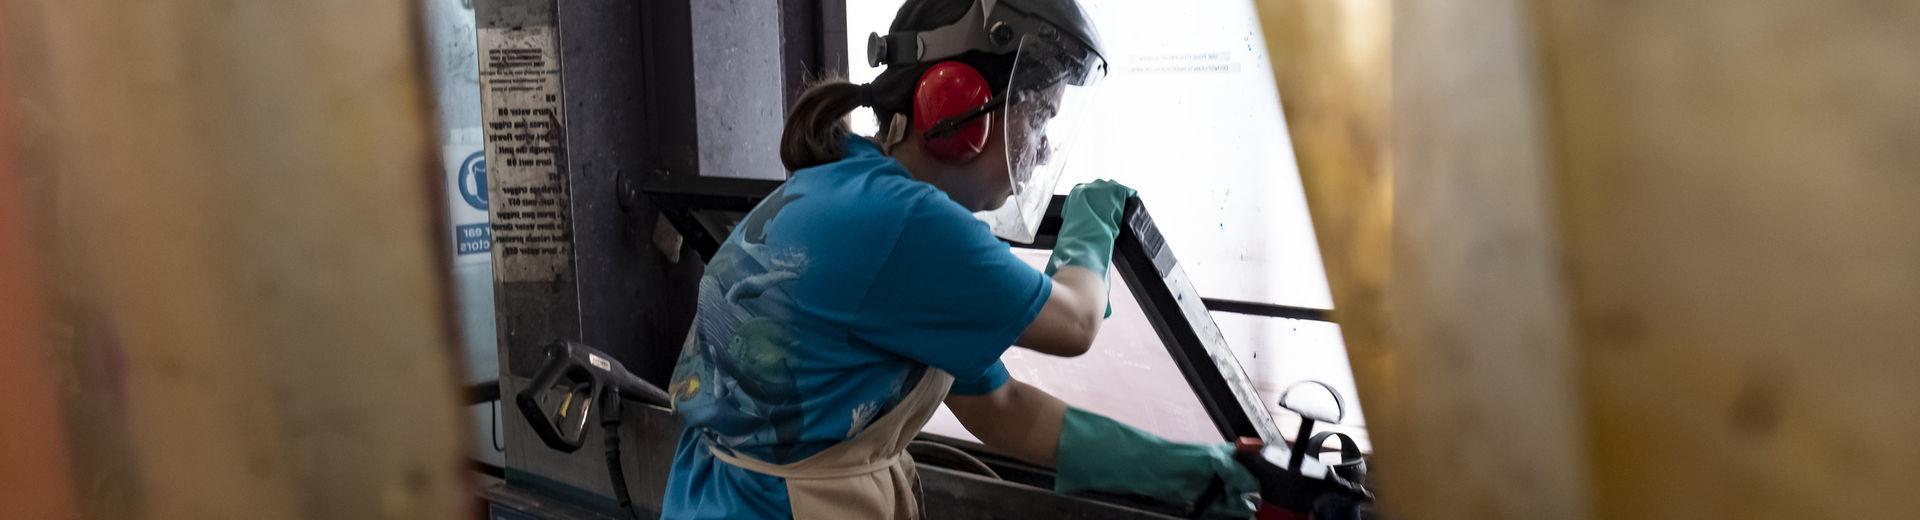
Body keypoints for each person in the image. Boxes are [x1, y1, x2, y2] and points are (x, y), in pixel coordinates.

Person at [660, 0, 1259, 518]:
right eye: (1041, 114)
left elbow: (1000, 409)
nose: (1045, 145)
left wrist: (1195, 469)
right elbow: (1075, 324)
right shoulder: (905, 220)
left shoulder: (843, 184)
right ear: (956, 106)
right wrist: (1092, 219)